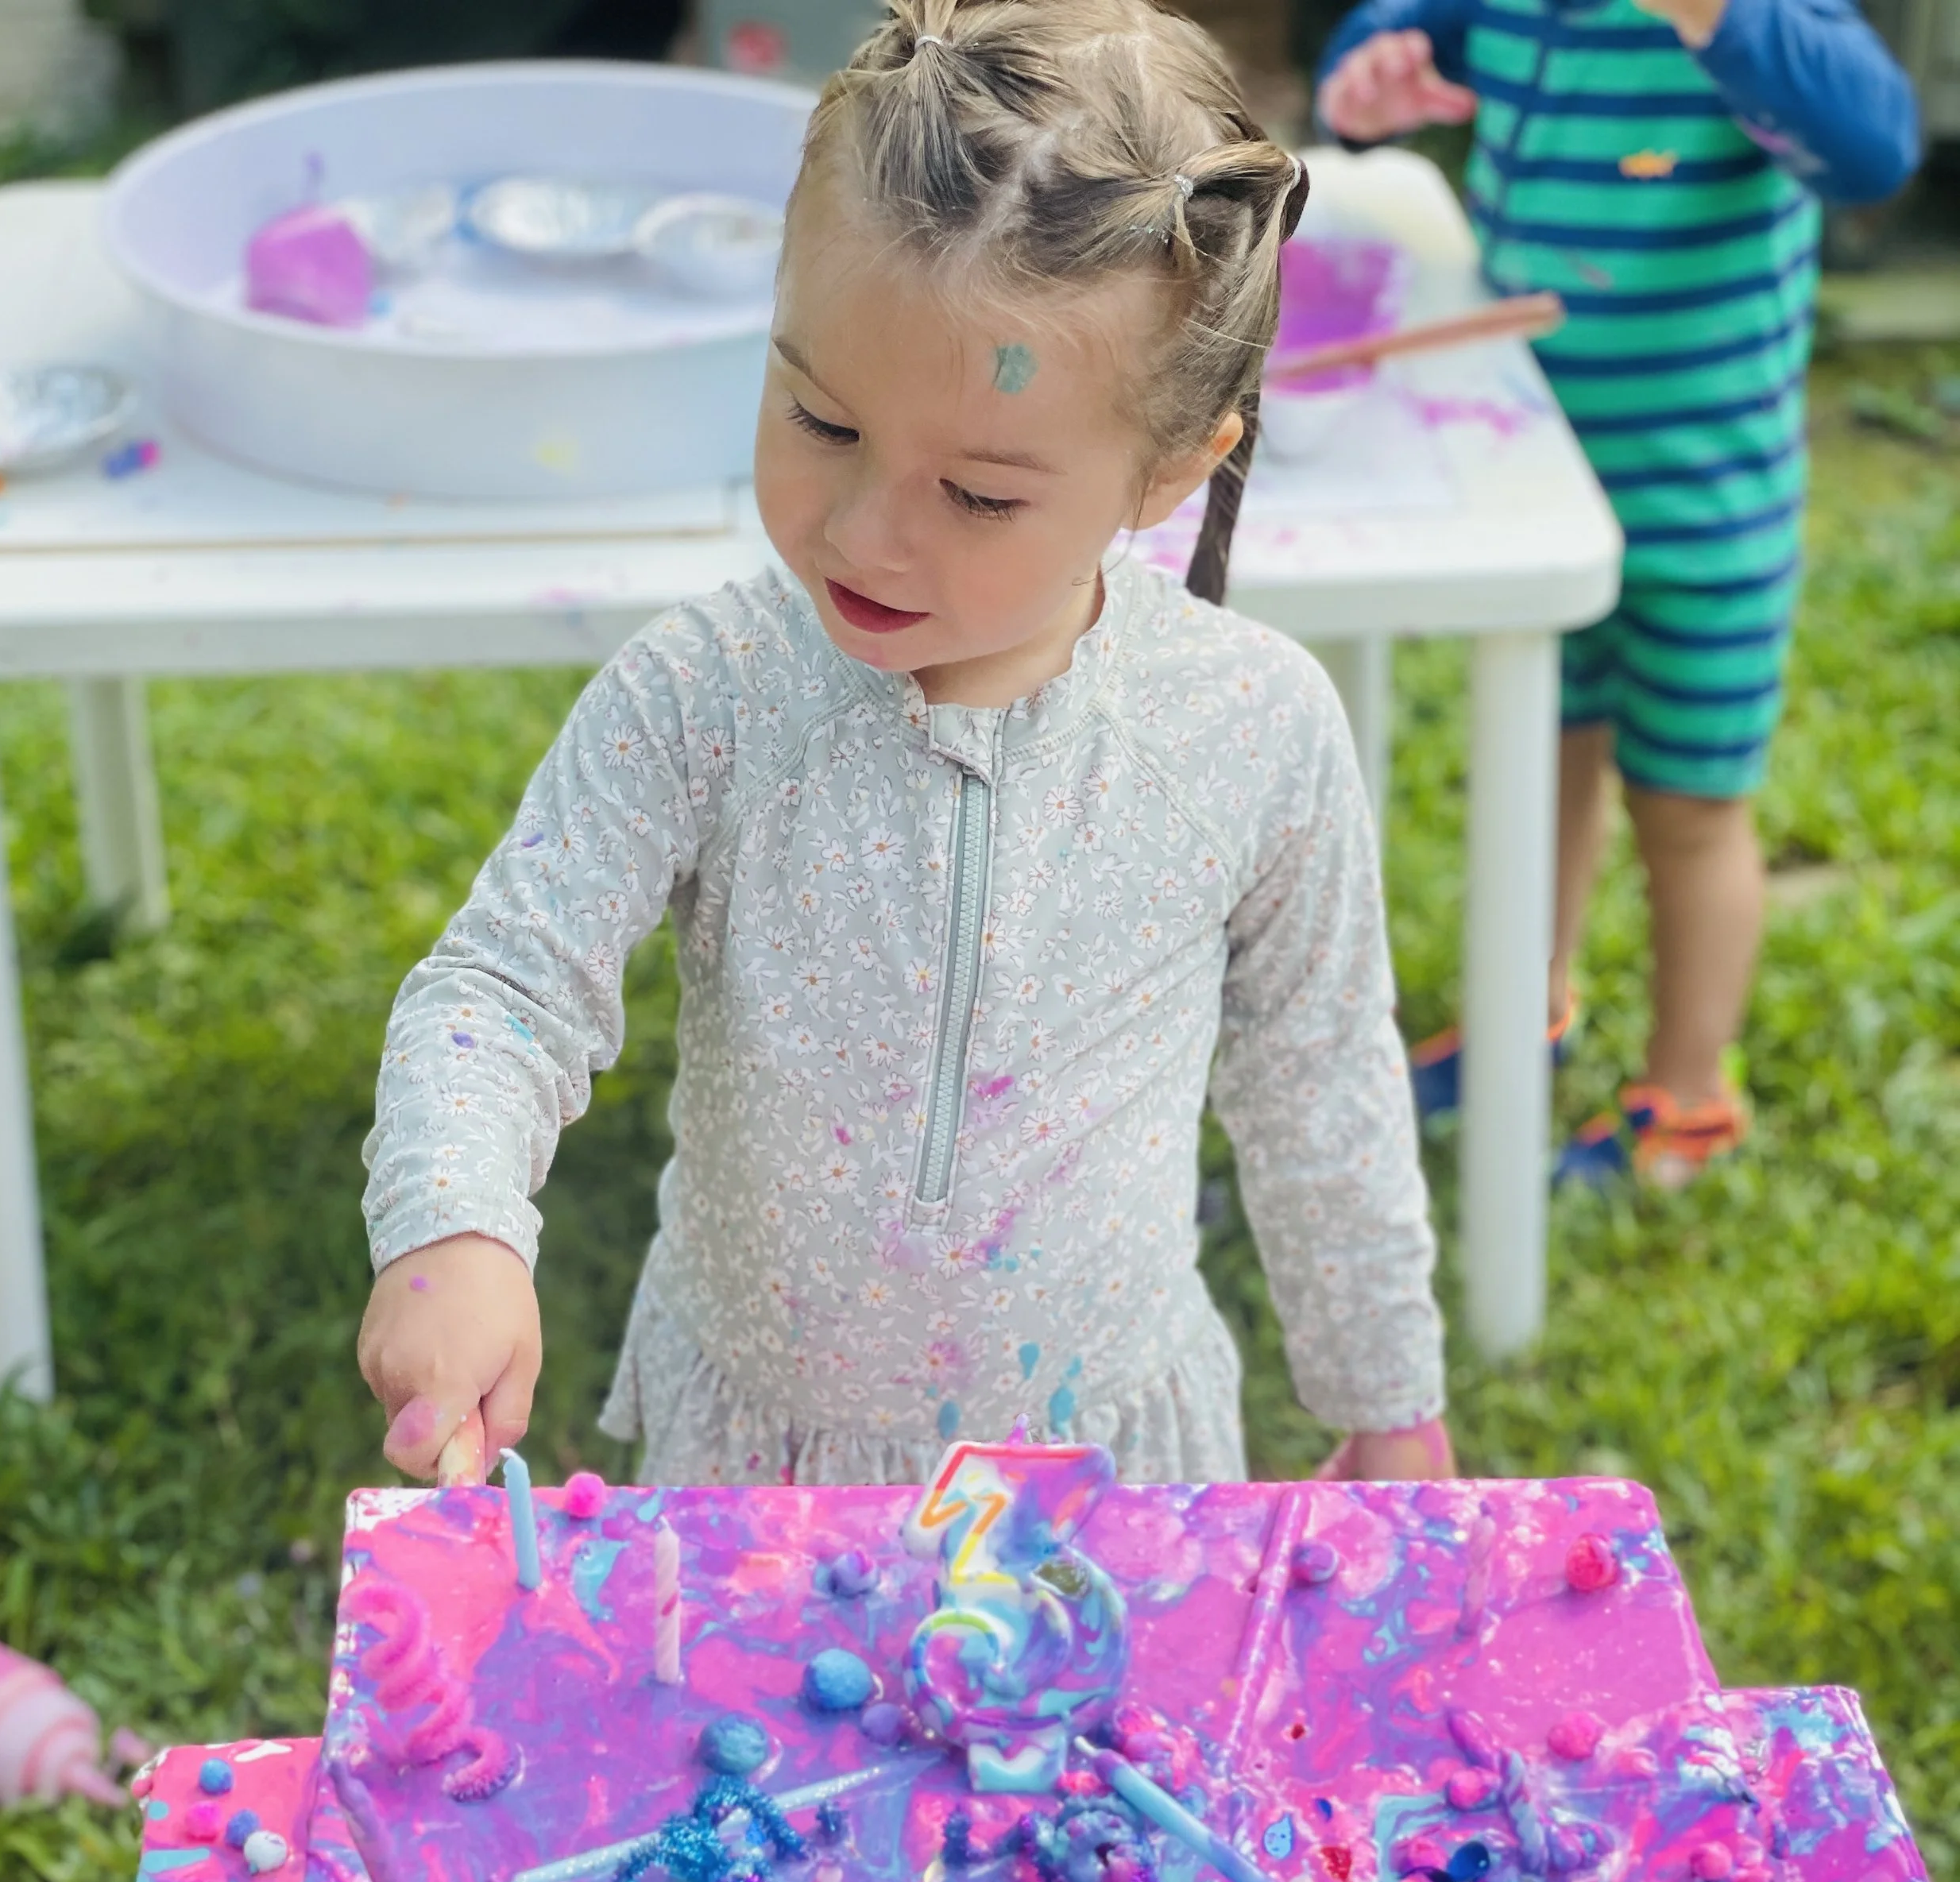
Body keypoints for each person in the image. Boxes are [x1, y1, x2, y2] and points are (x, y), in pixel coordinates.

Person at [358, 0, 1451, 1489]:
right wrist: (453, 1222)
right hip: (761, 1468)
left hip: (1106, 1468)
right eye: (820, 418)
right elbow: (505, 983)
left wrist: (1385, 1400)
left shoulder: (1251, 732)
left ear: (1172, 472)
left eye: (983, 496)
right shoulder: (708, 694)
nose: (867, 529)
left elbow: (1321, 1081)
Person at [1318, 0, 1919, 1184]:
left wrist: (1721, 19)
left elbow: (1874, 149)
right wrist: (1360, 85)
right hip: (1536, 484)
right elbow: (1392, 32)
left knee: (1689, 809)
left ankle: (1688, 1096)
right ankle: (1524, 1017)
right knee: (1546, 761)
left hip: (1704, 518)